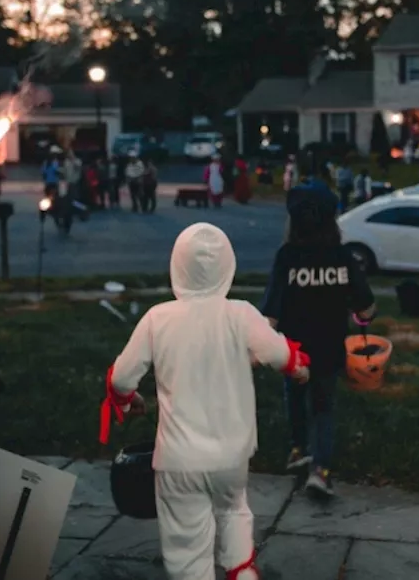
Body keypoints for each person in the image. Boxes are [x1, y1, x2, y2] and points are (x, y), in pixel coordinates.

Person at [101, 223, 310, 580]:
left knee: (187, 546)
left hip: (179, 460)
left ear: (176, 267)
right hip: (231, 457)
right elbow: (282, 355)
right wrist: (300, 368)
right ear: (227, 267)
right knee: (233, 514)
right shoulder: (241, 315)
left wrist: (126, 398)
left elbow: (120, 377)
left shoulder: (158, 319)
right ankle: (241, 571)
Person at [262, 189, 375, 498]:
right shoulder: (343, 257)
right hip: (328, 349)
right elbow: (366, 308)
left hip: (293, 350)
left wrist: (257, 346)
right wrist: (361, 314)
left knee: (295, 397)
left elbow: (271, 312)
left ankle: (298, 449)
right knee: (323, 408)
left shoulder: (286, 257)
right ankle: (320, 471)